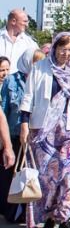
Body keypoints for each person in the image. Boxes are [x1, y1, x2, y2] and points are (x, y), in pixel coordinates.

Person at [19, 32, 70, 228]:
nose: (66, 54)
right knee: (46, 174)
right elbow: (28, 97)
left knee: (67, 172)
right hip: (44, 127)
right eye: (62, 49)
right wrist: (24, 123)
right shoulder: (40, 67)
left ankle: (64, 215)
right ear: (54, 48)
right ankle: (47, 215)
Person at [0, 56, 26, 219]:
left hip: (15, 136)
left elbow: (1, 117)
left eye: (6, 69)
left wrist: (7, 146)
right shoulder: (11, 83)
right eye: (1, 70)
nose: (4, 73)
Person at [0, 8, 37, 77]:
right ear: (13, 21)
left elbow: (38, 63)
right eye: (25, 21)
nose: (27, 25)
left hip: (20, 83)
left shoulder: (30, 43)